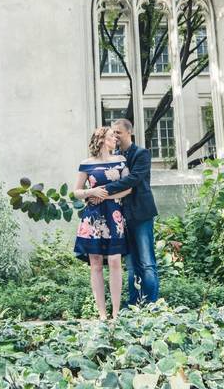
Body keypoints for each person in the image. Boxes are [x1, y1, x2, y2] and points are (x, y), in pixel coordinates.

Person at [92, 118, 160, 305]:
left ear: (129, 133)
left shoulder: (141, 154)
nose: (115, 136)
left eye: (118, 133)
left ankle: (152, 306)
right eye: (113, 133)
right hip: (121, 216)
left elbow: (133, 180)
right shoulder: (114, 158)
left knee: (146, 262)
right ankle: (133, 305)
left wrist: (104, 191)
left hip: (141, 213)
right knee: (131, 265)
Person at [72, 126, 132, 320]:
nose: (115, 138)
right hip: (93, 217)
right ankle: (102, 315)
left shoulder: (120, 161)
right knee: (95, 263)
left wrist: (104, 196)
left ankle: (116, 313)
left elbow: (128, 189)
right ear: (101, 140)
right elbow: (77, 191)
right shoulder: (86, 164)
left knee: (115, 261)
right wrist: (91, 192)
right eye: (110, 136)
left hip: (114, 214)